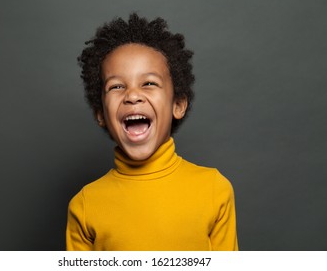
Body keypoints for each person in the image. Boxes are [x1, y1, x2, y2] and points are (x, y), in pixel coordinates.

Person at [66, 13, 238, 251]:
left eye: (148, 83)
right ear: (101, 116)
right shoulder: (84, 206)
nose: (132, 95)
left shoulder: (214, 190)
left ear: (177, 105)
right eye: (116, 86)